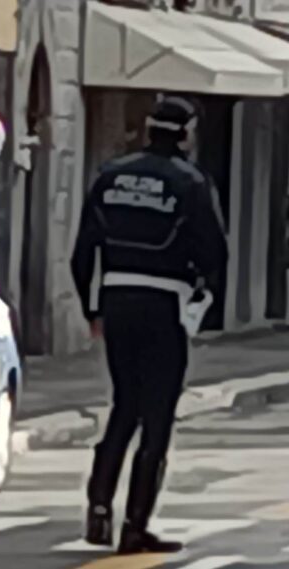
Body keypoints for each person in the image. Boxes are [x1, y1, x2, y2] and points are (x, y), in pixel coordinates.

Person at [71, 98, 228, 554]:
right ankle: (135, 524)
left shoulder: (109, 175)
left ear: (146, 129)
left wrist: (92, 309)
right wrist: (201, 291)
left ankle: (99, 507)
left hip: (116, 300)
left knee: (124, 405)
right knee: (156, 417)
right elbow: (215, 252)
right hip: (164, 303)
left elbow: (82, 252)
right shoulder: (191, 182)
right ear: (186, 134)